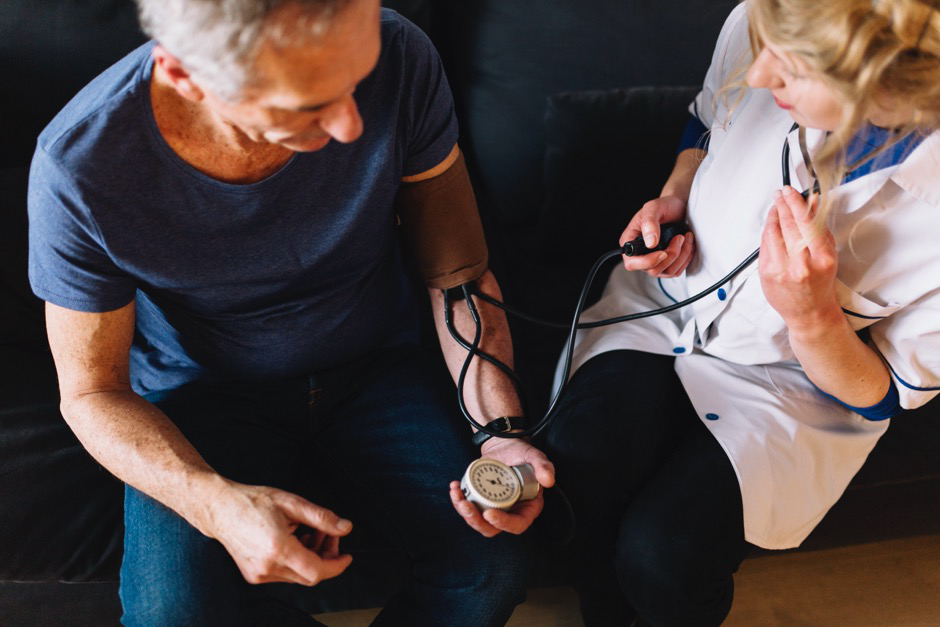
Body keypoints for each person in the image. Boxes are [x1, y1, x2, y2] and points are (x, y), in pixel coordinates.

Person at [27, 0, 555, 624]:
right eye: (310, 103)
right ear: (184, 75)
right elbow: (91, 393)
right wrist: (216, 505)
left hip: (375, 365)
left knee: (492, 568)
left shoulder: (401, 52)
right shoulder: (81, 166)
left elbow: (460, 276)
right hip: (202, 392)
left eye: (356, 81)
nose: (354, 127)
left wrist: (499, 436)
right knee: (172, 617)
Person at [539, 0, 940, 625]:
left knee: (664, 556)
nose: (758, 75)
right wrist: (675, 195)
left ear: (885, 79)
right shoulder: (768, 16)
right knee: (585, 468)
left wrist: (812, 318)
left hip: (790, 387)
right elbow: (704, 123)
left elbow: (886, 393)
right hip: (660, 309)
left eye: (790, 69)